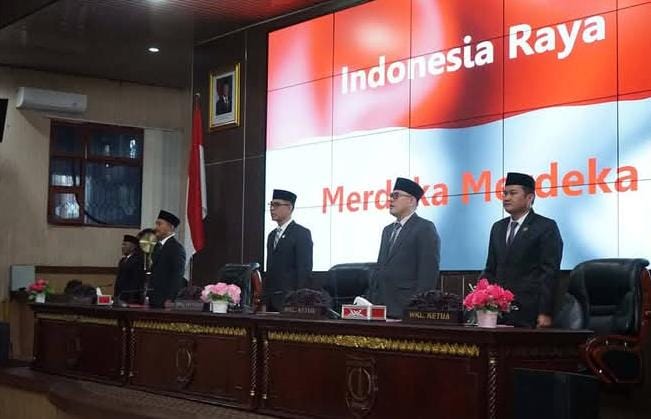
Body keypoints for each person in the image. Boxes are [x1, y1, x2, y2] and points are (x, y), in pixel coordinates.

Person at [482, 172, 563, 328]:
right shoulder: (498, 227)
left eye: (513, 193)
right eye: (505, 193)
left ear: (529, 197)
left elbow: (549, 273)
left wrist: (545, 312)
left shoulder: (545, 227)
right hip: (497, 312)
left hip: (529, 312)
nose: (506, 198)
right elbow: (490, 269)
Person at [369, 177, 441, 318]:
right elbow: (381, 268)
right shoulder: (387, 230)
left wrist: (417, 308)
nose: (391, 200)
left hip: (407, 308)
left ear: (411, 201)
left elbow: (428, 274)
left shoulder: (424, 228)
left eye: (396, 196)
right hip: (381, 308)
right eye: (391, 196)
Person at [264, 189, 313, 311]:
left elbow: (304, 271)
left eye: (277, 204)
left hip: (290, 302)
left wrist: (299, 302)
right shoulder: (271, 235)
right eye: (271, 204)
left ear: (289, 207)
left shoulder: (301, 233)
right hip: (271, 302)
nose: (272, 209)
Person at [148, 210, 186, 308]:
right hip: (153, 297)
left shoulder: (176, 248)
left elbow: (177, 276)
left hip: (165, 300)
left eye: (159, 224)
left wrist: (170, 298)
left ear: (171, 227)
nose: (156, 228)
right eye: (156, 224)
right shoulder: (157, 246)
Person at [113, 235, 145, 304]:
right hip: (120, 296)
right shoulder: (122, 260)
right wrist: (116, 295)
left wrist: (131, 297)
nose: (122, 247)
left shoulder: (137, 260)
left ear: (133, 247)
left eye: (125, 245)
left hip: (131, 297)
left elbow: (136, 281)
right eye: (122, 244)